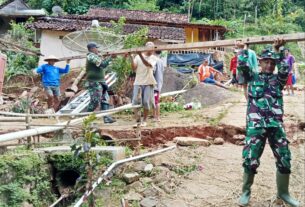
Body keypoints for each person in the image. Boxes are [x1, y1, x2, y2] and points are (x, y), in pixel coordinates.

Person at [237, 39, 299, 207]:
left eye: (272, 63)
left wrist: (277, 50)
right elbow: (242, 68)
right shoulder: (252, 77)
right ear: (260, 62)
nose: (270, 65)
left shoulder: (278, 80)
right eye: (266, 62)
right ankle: (245, 192)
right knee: (250, 158)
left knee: (284, 158)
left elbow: (285, 68)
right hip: (256, 126)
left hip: (275, 126)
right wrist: (243, 50)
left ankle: (283, 193)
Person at [85, 42, 115, 124]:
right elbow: (102, 65)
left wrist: (108, 58)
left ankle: (106, 118)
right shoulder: (91, 56)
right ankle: (86, 118)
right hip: (94, 82)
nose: (98, 50)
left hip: (101, 81)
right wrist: (110, 57)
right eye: (96, 48)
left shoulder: (96, 56)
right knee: (95, 100)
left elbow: (103, 63)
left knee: (105, 99)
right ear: (92, 49)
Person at [130, 41, 157, 127]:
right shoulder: (138, 57)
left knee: (146, 102)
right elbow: (134, 68)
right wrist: (131, 58)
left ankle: (144, 120)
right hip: (138, 82)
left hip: (148, 82)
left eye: (152, 48)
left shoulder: (153, 58)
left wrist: (140, 55)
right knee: (135, 101)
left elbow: (147, 64)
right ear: (145, 47)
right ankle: (137, 120)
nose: (151, 50)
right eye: (149, 47)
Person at [153, 51, 165, 122]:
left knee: (156, 101)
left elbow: (153, 71)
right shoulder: (161, 61)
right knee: (155, 101)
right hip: (159, 83)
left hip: (155, 84)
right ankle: (154, 116)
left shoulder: (155, 61)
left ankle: (157, 117)